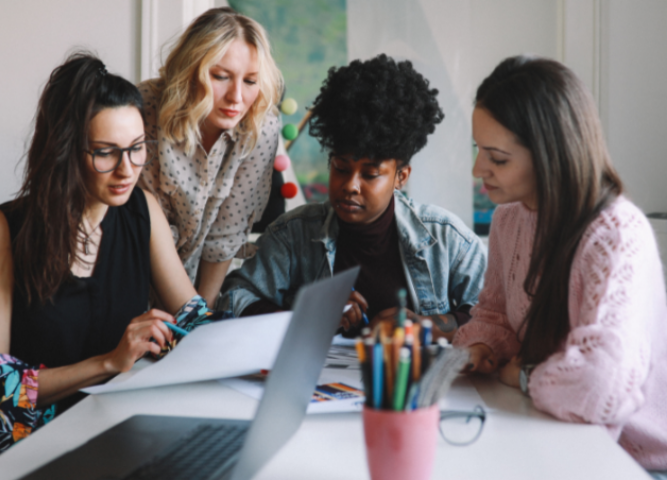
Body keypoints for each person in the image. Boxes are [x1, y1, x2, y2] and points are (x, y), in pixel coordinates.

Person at [0, 53, 228, 477]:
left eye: (136, 149)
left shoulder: (141, 211)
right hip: (21, 453)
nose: (127, 170)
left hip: (111, 436)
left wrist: (259, 333)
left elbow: (194, 318)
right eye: (105, 153)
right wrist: (108, 363)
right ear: (64, 151)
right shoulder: (3, 230)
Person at [454, 56, 667, 475]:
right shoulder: (508, 219)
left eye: (497, 158)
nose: (479, 169)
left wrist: (523, 377)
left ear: (549, 154)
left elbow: (600, 386)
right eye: (479, 150)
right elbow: (494, 316)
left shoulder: (616, 236)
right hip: (552, 432)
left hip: (635, 461)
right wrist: (483, 347)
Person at [218, 55, 487, 339]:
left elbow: (495, 315)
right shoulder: (293, 235)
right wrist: (309, 315)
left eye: (370, 174)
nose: (350, 185)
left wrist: (425, 327)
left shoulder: (445, 237)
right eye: (340, 168)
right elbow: (234, 299)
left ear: (401, 176)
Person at [137, 7, 284, 308]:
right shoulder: (143, 109)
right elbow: (139, 224)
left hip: (192, 288)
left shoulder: (260, 124)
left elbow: (225, 235)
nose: (237, 97)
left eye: (250, 81)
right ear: (190, 70)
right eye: (221, 76)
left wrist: (201, 316)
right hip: (128, 276)